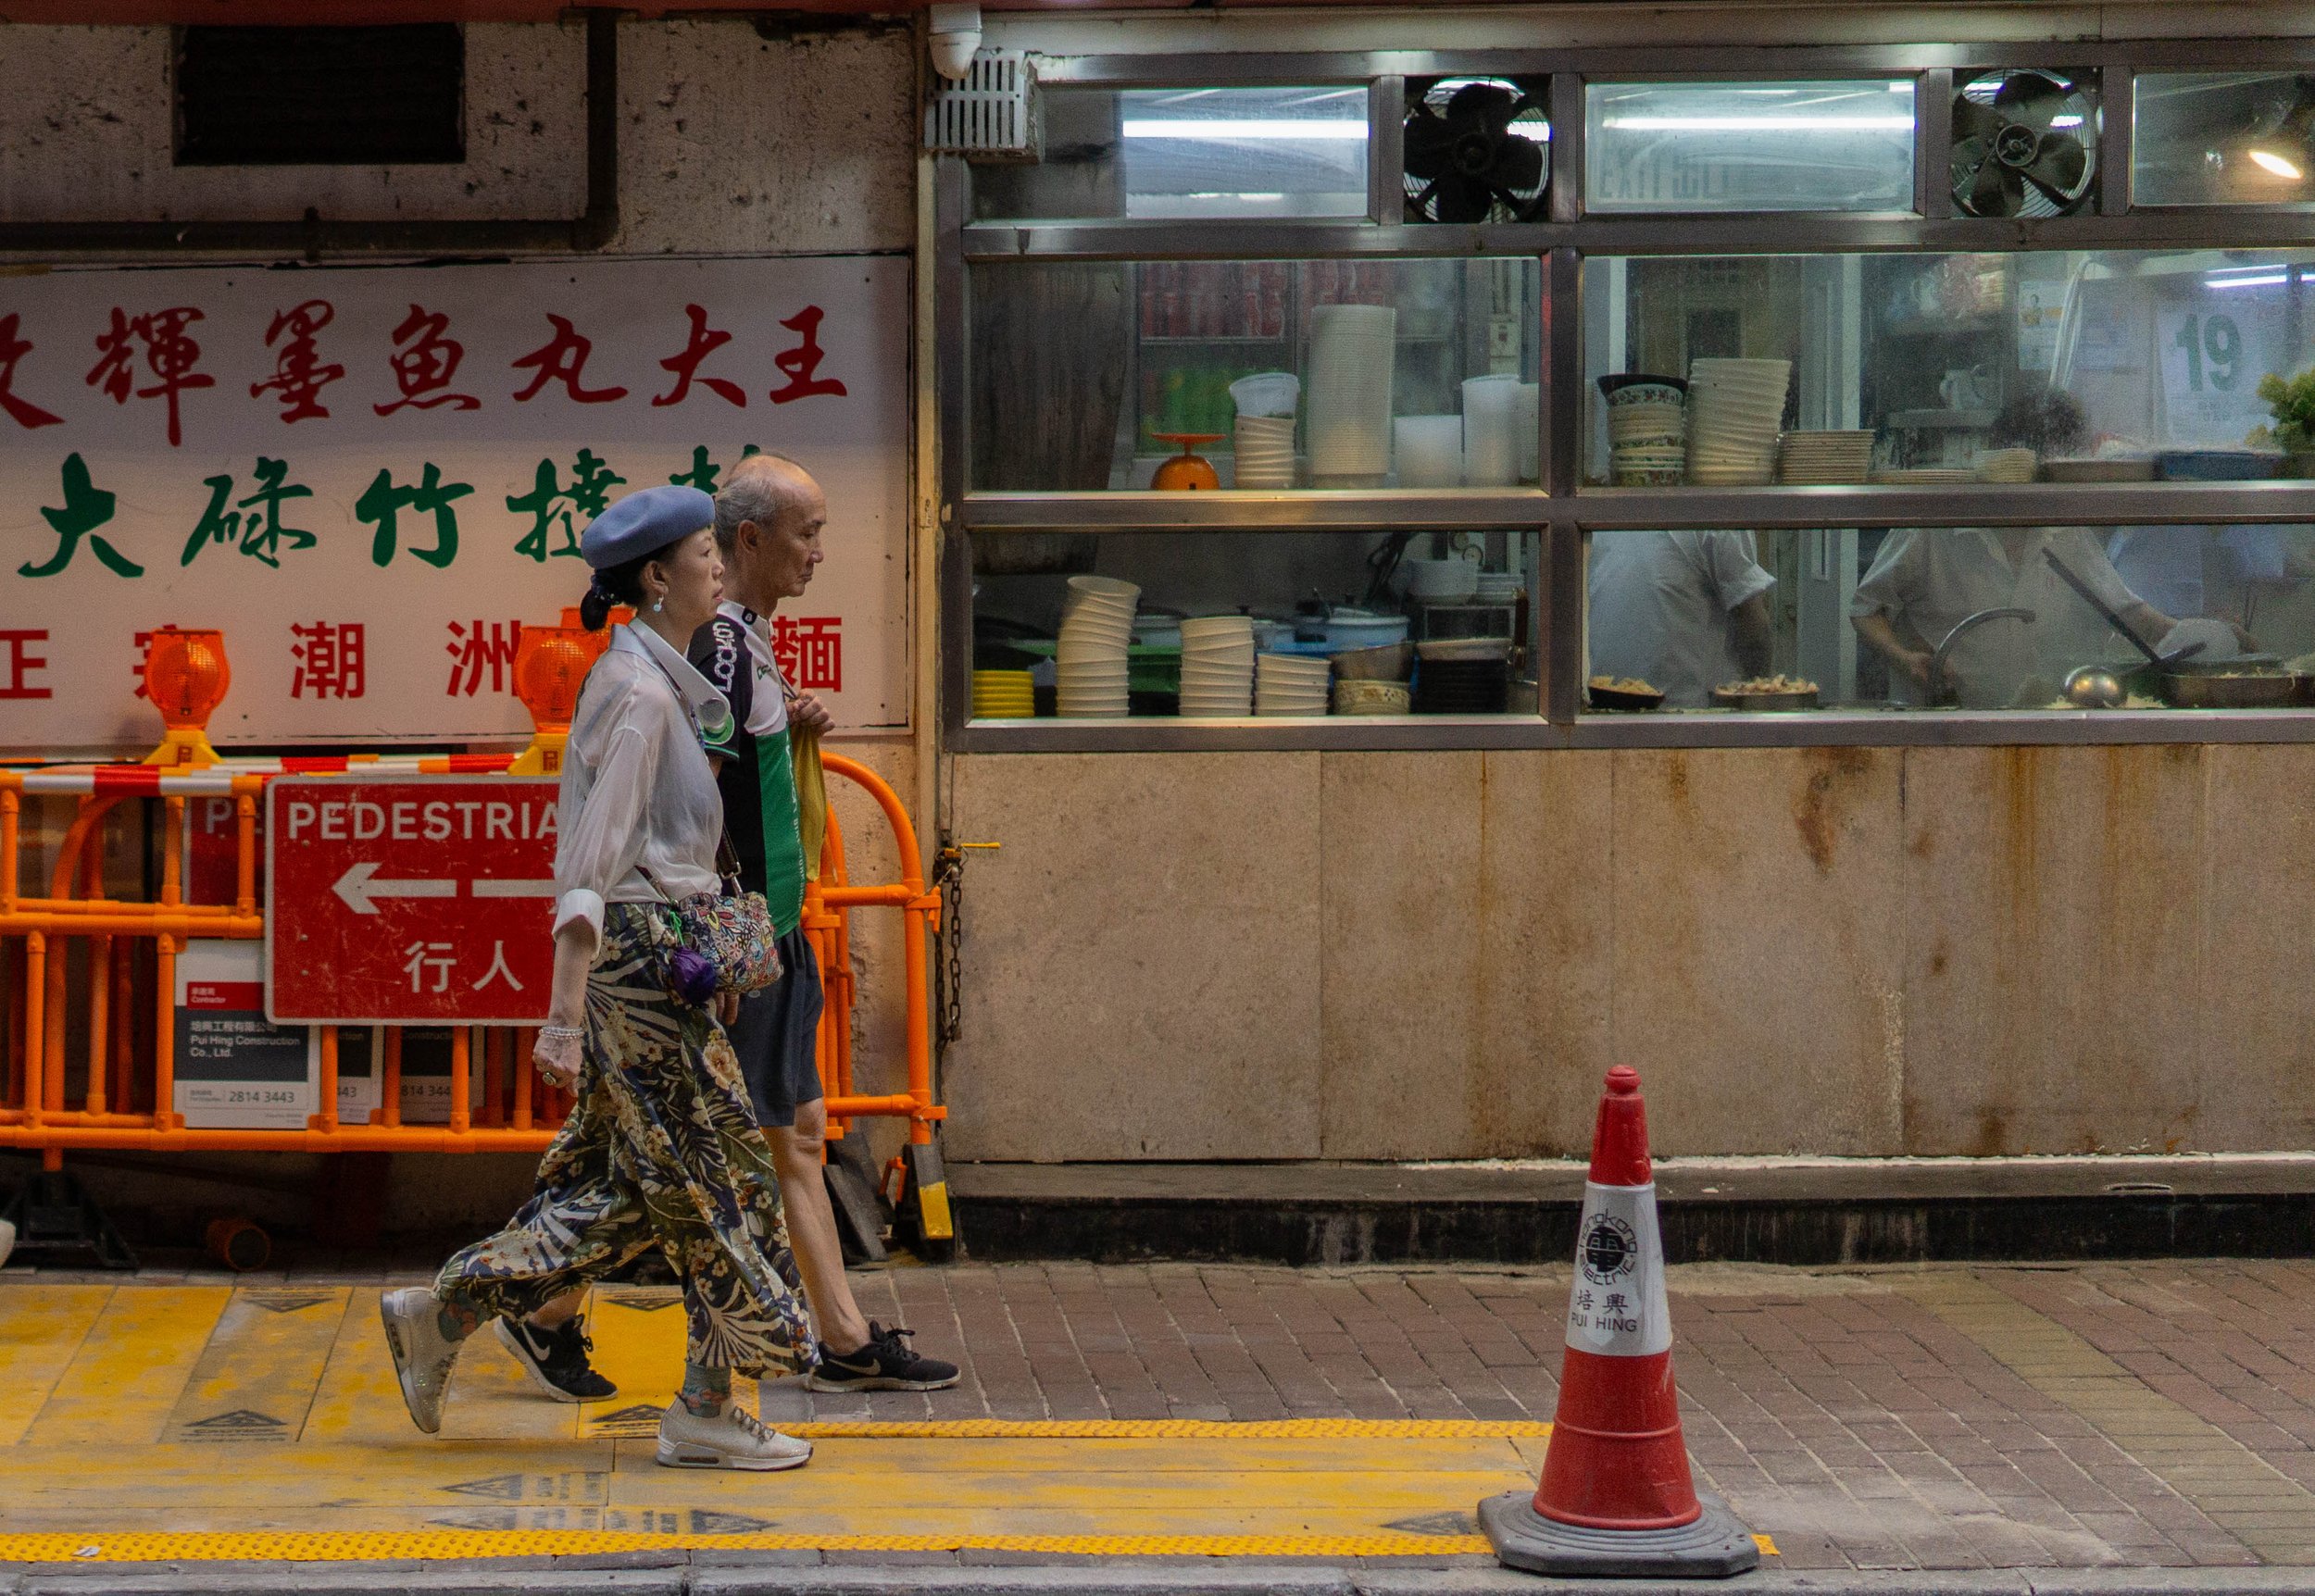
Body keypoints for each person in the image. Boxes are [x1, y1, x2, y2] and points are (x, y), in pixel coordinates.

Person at [379, 484, 819, 1472]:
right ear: (657, 578)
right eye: (703, 553)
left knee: (635, 1189)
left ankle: (446, 1314)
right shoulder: (636, 696)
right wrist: (563, 1019)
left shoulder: (658, 682)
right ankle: (687, 1395)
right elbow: (590, 866)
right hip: (634, 964)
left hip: (662, 959)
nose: (718, 566)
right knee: (722, 1184)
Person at [692, 455, 958, 1393]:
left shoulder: (750, 640)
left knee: (790, 1125)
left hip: (772, 921)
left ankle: (842, 1337)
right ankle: (510, 1301)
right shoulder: (720, 643)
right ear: (749, 540)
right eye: (806, 532)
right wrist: (729, 935)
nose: (818, 552)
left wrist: (792, 724)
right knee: (688, 1151)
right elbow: (703, 790)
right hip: (749, 929)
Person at [1852, 526, 2178, 708]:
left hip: (2040, 718)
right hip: (1943, 719)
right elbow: (1866, 609)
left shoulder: (2064, 532)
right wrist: (1904, 658)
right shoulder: (1931, 528)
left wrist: (2190, 636)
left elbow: (2123, 609)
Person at [1586, 530, 1775, 707]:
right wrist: (1757, 704)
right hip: (1685, 717)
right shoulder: (1718, 507)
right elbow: (1754, 630)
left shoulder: (1608, 510)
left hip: (1606, 717)